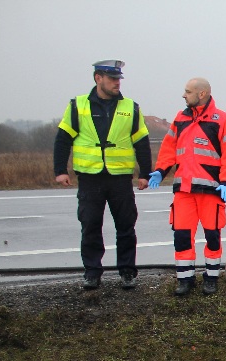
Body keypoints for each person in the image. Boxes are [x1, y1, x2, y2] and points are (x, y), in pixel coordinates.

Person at [54, 59, 151, 290]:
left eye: (119, 79)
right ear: (98, 78)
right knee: (90, 225)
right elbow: (63, 139)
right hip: (90, 177)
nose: (117, 83)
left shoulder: (131, 107)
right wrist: (60, 170)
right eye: (112, 79)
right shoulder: (78, 106)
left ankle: (127, 271)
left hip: (120, 178)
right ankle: (92, 272)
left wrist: (145, 173)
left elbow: (142, 142)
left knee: (126, 226)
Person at [149, 78, 226, 296]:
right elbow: (169, 148)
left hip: (210, 191)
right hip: (184, 191)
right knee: (181, 236)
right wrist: (161, 170)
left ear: (202, 94)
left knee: (212, 236)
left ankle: (211, 278)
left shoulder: (222, 120)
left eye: (188, 91)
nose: (183, 95)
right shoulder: (180, 119)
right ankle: (185, 279)